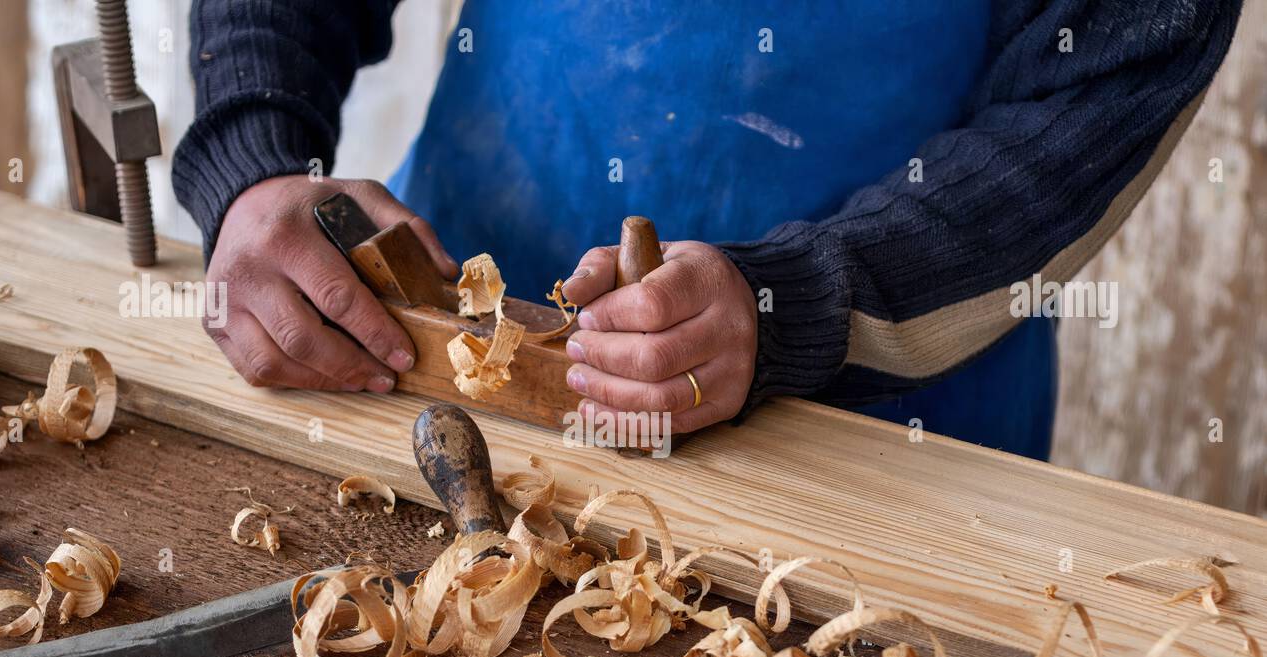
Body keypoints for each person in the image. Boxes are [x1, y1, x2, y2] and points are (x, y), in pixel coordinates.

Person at [173, 0, 1240, 460]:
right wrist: (257, 156)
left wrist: (797, 300)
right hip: (434, 364)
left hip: (875, 435)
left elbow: (1085, 106)